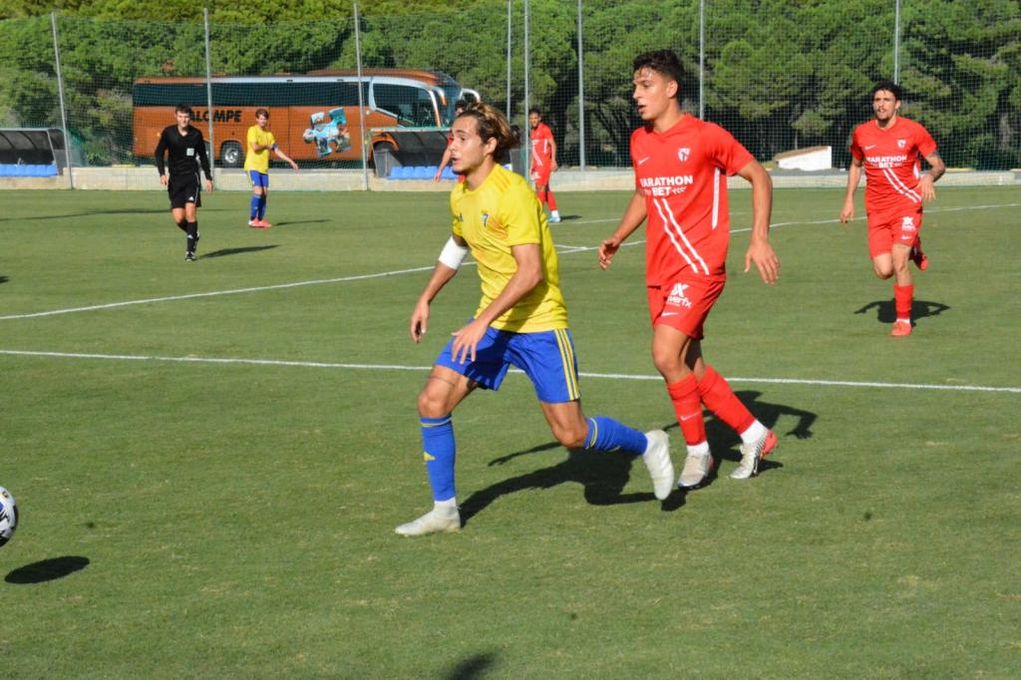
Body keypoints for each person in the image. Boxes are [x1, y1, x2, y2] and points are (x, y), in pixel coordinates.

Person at [396, 101, 674, 537]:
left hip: (540, 325)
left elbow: (531, 273)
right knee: (432, 402)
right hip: (493, 325)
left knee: (572, 435)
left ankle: (648, 443)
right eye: (452, 138)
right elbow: (457, 245)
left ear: (489, 145)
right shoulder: (460, 193)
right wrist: (425, 298)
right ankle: (445, 510)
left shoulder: (513, 193)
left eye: (462, 138)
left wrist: (480, 322)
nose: (452, 146)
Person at [598, 49, 780, 488]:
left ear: (671, 88)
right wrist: (619, 236)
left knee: (664, 355)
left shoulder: (705, 136)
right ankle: (755, 434)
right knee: (688, 364)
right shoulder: (640, 140)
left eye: (645, 86)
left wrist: (759, 237)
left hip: (699, 265)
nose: (636, 94)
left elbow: (759, 175)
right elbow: (645, 194)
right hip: (658, 271)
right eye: (635, 86)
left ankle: (699, 453)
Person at [839, 81, 945, 337]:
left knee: (899, 261)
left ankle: (903, 320)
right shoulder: (862, 133)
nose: (881, 105)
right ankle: (914, 247)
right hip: (876, 210)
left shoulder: (913, 130)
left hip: (907, 205)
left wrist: (929, 177)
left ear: (897, 104)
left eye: (886, 100)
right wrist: (849, 199)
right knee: (884, 271)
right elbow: (855, 165)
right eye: (877, 100)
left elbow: (939, 165)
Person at [155, 105, 213, 262]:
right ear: (176, 116)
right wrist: (162, 173)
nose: (183, 119)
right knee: (179, 218)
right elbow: (158, 153)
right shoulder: (169, 133)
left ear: (190, 117)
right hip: (175, 180)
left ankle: (190, 252)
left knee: (190, 213)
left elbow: (203, 157)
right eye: (181, 116)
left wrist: (208, 177)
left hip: (191, 179)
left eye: (186, 117)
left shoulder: (196, 134)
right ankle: (193, 233)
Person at [244, 108, 299, 229]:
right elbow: (255, 147)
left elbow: (277, 150)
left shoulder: (269, 135)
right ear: (256, 119)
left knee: (265, 194)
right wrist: (266, 146)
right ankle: (252, 220)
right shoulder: (252, 130)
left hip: (263, 168)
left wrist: (290, 161)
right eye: (261, 118)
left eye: (265, 119)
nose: (263, 121)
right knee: (258, 192)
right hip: (252, 166)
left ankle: (260, 219)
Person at [528, 107, 560, 223]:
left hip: (545, 163)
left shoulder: (545, 129)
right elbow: (534, 150)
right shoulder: (532, 131)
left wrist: (553, 160)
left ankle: (538, 214)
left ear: (539, 118)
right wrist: (531, 165)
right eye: (531, 118)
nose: (533, 120)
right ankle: (555, 215)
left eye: (535, 118)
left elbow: (553, 144)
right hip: (537, 165)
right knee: (545, 189)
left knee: (540, 188)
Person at [433, 99, 470, 182]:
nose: (459, 115)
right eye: (458, 113)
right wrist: (440, 170)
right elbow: (449, 149)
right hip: (464, 172)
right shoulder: (455, 129)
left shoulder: (475, 127)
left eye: (461, 113)